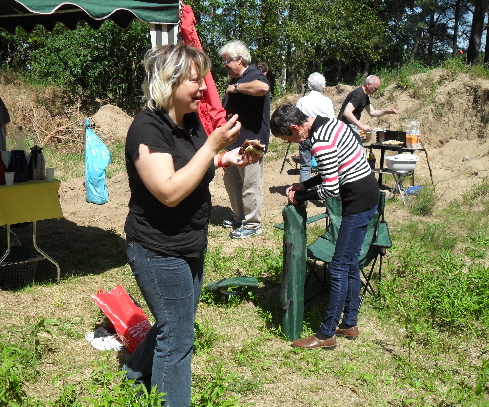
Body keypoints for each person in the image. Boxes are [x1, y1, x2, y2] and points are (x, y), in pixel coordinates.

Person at [122, 43, 259, 407]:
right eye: (195, 81)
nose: (203, 89)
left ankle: (134, 371)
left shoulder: (189, 119)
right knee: (179, 337)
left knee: (174, 323)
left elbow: (196, 165)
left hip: (190, 240)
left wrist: (225, 156)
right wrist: (213, 144)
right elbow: (169, 191)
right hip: (156, 248)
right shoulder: (146, 129)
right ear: (169, 83)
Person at [270, 104, 380, 350]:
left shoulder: (320, 143)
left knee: (339, 266)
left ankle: (326, 333)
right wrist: (305, 184)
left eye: (289, 138)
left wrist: (302, 196)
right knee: (350, 263)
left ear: (296, 128)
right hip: (367, 195)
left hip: (357, 201)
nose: (292, 142)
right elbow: (333, 168)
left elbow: (331, 189)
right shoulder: (329, 123)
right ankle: (350, 323)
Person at [219, 40, 271, 239]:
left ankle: (252, 224)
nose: (224, 66)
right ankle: (240, 217)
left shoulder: (253, 75)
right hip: (234, 143)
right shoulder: (237, 79)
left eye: (227, 61)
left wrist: (236, 88)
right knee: (231, 181)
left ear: (239, 59)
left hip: (252, 142)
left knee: (250, 184)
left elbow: (263, 87)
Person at [295, 72, 335, 182]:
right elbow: (332, 121)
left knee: (305, 167)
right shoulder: (327, 101)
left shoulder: (301, 101)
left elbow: (296, 119)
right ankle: (326, 194)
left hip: (305, 136)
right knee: (325, 168)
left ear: (309, 85)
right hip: (322, 138)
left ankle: (303, 194)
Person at [337, 75, 396, 143]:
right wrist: (361, 126)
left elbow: (372, 112)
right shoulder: (359, 94)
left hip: (349, 126)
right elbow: (347, 112)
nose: (376, 91)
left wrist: (386, 111)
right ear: (368, 84)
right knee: (358, 148)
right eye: (375, 88)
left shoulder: (365, 96)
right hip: (344, 126)